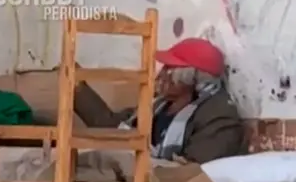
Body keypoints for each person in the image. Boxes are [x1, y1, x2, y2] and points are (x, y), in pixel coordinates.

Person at [75, 37, 245, 164]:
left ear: (194, 77)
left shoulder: (219, 117)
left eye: (170, 69)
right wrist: (77, 88)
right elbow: (114, 128)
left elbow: (190, 172)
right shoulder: (159, 106)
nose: (161, 75)